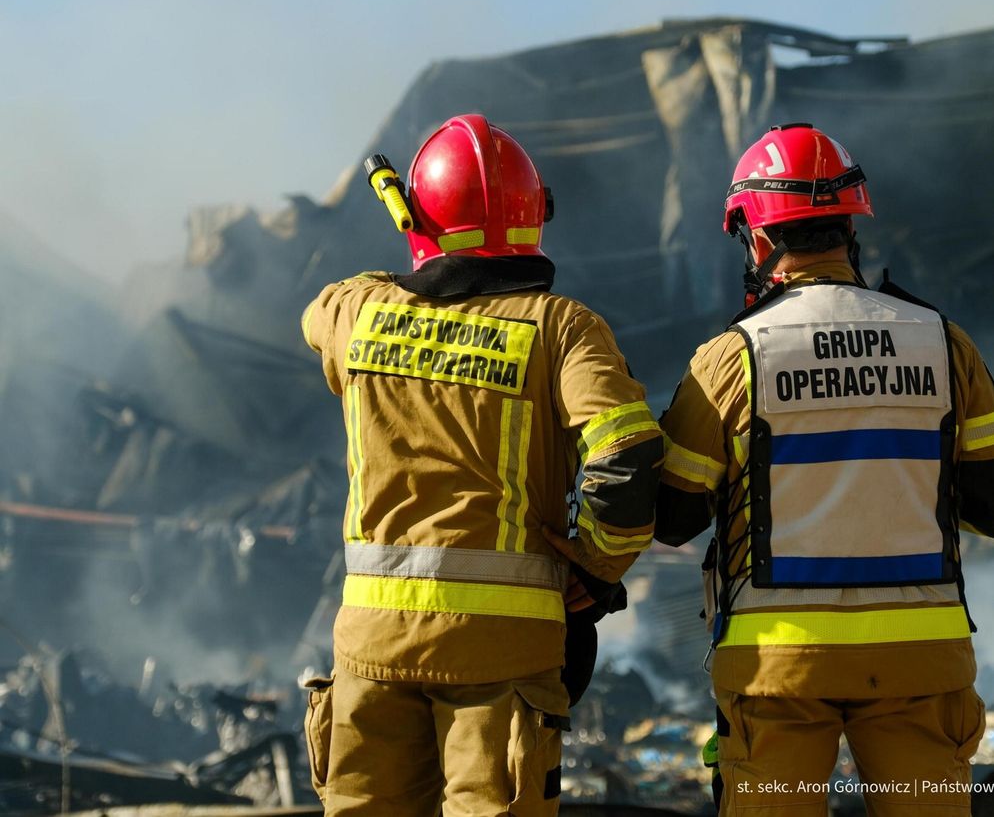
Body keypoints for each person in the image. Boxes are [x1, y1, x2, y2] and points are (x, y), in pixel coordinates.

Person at [301, 113, 662, 817]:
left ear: (419, 217)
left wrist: (417, 254)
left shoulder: (356, 309)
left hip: (372, 650)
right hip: (501, 658)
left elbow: (317, 315)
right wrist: (596, 566)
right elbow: (625, 460)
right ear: (533, 219)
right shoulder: (562, 326)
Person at [656, 123, 994, 816]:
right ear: (849, 225)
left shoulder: (731, 358)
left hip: (780, 669)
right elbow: (991, 504)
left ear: (756, 236)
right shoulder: (944, 343)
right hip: (921, 663)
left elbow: (674, 516)